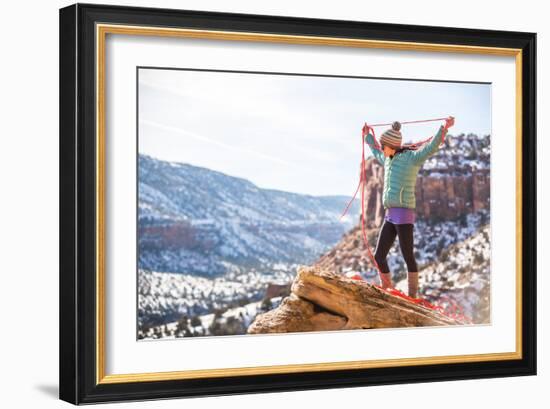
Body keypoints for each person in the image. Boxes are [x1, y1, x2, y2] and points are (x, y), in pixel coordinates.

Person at [363, 116, 455, 299]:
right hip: (389, 215)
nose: (382, 149)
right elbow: (375, 151)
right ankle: (387, 288)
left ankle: (412, 296)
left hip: (404, 215)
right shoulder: (387, 159)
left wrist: (444, 128)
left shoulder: (411, 159)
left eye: (384, 146)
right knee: (379, 255)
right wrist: (367, 136)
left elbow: (430, 148)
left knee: (407, 256)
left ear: (392, 145)